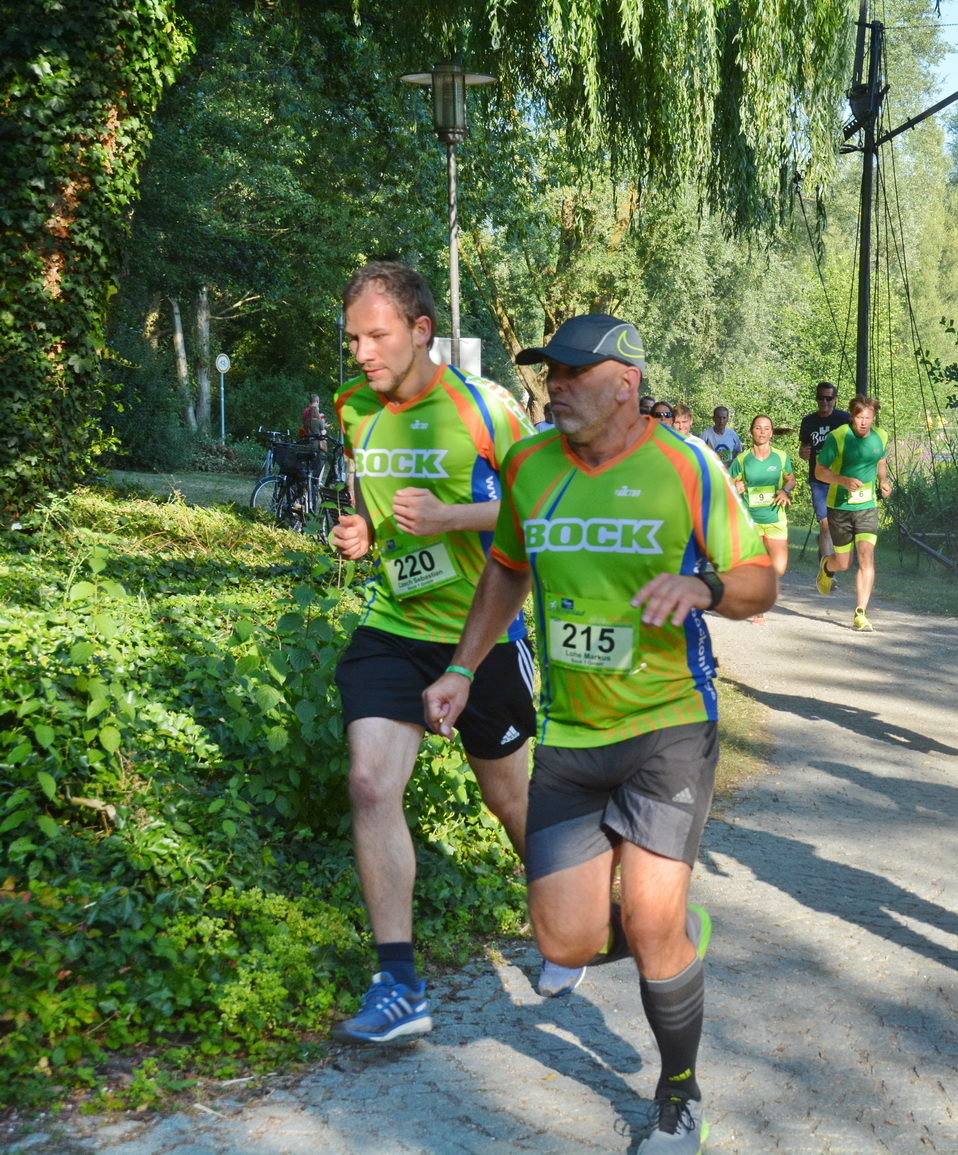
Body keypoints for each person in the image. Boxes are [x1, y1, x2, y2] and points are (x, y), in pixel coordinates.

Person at [423, 313, 776, 1155]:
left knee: (651, 922)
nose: (558, 387)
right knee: (565, 938)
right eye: (552, 373)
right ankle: (678, 941)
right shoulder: (530, 463)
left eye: (576, 373)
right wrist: (463, 667)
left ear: (626, 381)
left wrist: (706, 588)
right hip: (571, 734)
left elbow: (763, 578)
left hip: (669, 725)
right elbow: (507, 569)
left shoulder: (686, 465)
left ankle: (678, 1097)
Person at [329, 261, 536, 1043]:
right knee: (369, 782)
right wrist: (360, 531)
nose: (362, 352)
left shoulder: (487, 408)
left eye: (376, 335)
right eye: (353, 337)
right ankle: (399, 982)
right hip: (394, 621)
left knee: (509, 801)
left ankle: (574, 908)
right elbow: (366, 500)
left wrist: (452, 516)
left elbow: (536, 508)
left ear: (421, 330)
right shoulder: (354, 407)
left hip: (481, 633)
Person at [813, 395, 890, 632]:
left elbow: (881, 462)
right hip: (840, 506)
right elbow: (819, 472)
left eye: (868, 418)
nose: (864, 422)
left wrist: (884, 481)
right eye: (859, 417)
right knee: (844, 563)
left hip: (867, 506)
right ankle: (827, 566)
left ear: (873, 418)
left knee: (866, 556)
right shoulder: (838, 436)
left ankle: (860, 613)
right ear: (852, 416)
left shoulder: (881, 436)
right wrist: (842, 480)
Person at [728, 415, 797, 622]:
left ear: (772, 433)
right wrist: (735, 486)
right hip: (751, 519)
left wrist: (785, 490)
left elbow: (791, 479)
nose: (762, 432)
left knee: (779, 568)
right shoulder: (742, 459)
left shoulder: (781, 457)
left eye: (766, 428)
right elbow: (729, 480)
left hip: (775, 517)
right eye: (758, 428)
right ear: (751, 431)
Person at [797, 382, 848, 561]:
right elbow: (804, 446)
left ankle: (825, 545)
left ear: (834, 399)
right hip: (818, 479)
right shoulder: (808, 421)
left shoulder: (844, 419)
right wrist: (802, 452)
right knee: (825, 524)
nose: (824, 402)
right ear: (816, 398)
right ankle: (827, 573)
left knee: (838, 526)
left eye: (828, 398)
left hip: (841, 478)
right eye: (821, 398)